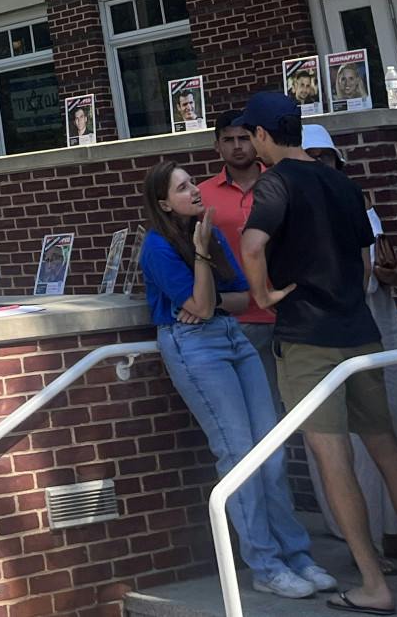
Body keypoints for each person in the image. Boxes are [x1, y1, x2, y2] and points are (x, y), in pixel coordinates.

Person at [239, 91, 397, 615]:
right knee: (387, 448)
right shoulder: (345, 184)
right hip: (361, 333)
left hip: (308, 338)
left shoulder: (275, 182)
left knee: (333, 458)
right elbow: (365, 257)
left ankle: (373, 583)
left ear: (262, 134)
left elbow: (252, 245)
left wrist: (263, 295)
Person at [137, 162, 330, 601]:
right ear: (164, 203)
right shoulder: (158, 247)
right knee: (238, 453)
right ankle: (266, 565)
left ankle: (297, 555)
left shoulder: (209, 232)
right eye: (183, 187)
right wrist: (202, 264)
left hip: (232, 337)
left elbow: (243, 300)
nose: (195, 190)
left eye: (193, 182)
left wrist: (209, 297)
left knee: (270, 450)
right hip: (192, 346)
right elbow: (201, 308)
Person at [301, 127, 397, 568]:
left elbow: (389, 274)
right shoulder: (289, 211)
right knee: (345, 445)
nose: (320, 164)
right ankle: (362, 542)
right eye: (310, 156)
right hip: (330, 336)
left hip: (380, 331)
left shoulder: (361, 204)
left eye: (326, 156)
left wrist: (393, 274)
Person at [197, 118, 277, 392]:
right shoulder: (201, 195)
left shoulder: (281, 182)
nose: (237, 146)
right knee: (258, 404)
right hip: (234, 318)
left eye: (244, 138)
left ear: (256, 139)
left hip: (287, 311)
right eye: (228, 140)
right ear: (217, 146)